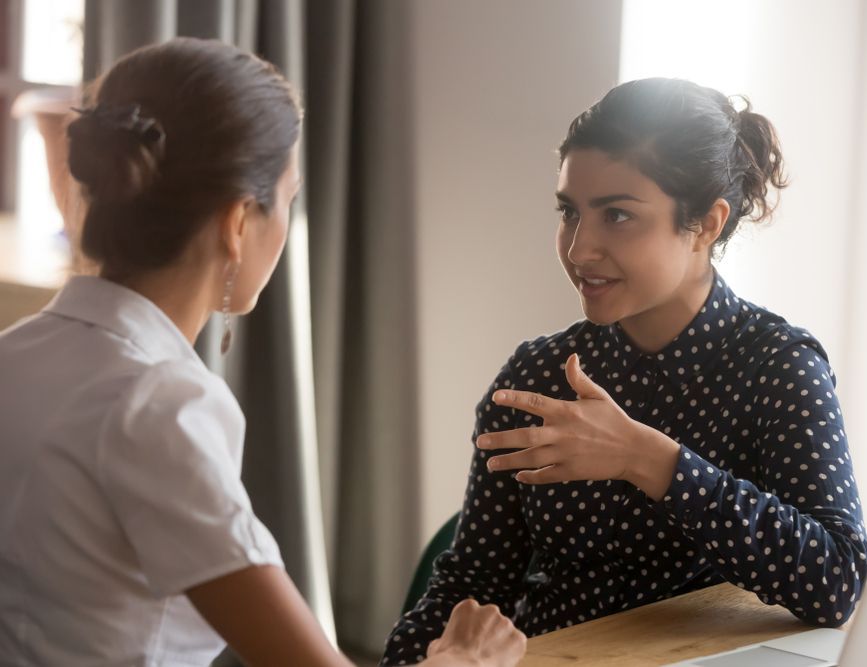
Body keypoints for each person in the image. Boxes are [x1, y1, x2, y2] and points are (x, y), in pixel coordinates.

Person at [0, 38, 525, 667]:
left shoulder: (15, 353)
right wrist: (466, 657)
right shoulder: (160, 405)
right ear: (237, 221)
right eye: (288, 197)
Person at [381, 77, 867, 665]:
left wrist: (651, 460)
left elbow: (838, 580)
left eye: (616, 215)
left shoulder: (777, 367)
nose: (580, 248)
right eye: (569, 212)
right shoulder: (537, 375)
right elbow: (469, 590)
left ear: (707, 224)